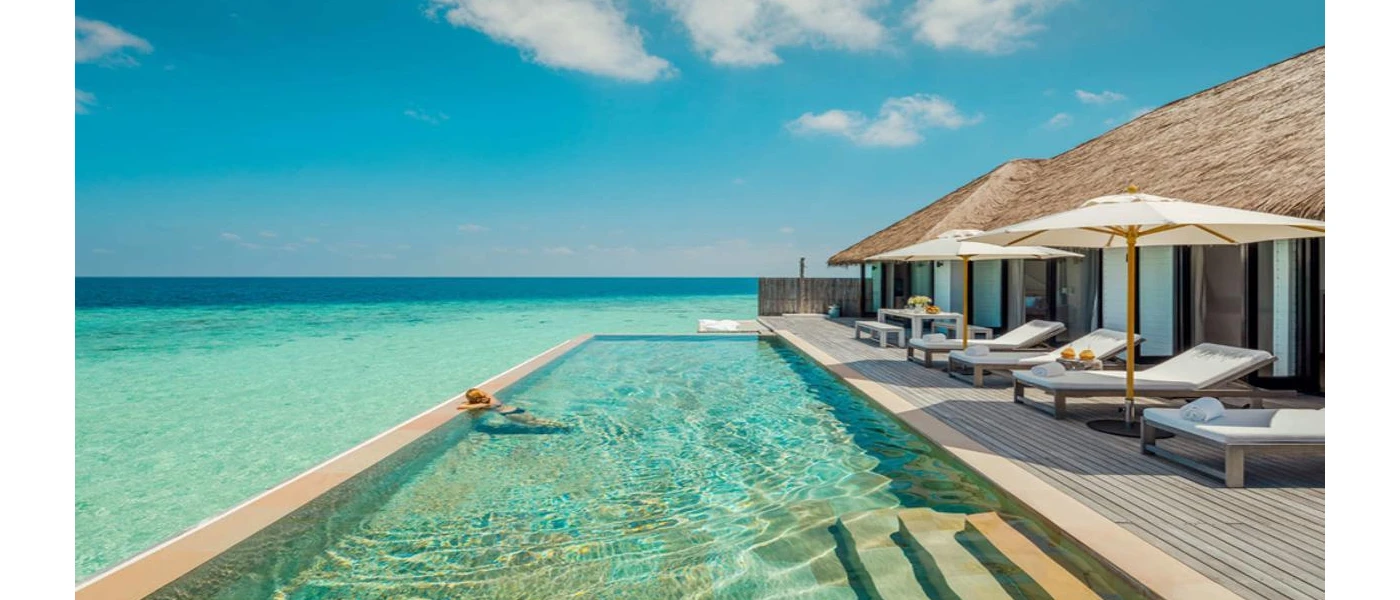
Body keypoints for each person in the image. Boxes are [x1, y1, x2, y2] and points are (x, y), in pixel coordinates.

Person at [457, 387, 568, 429]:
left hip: (511, 415)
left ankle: (560, 426)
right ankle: (558, 424)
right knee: (536, 420)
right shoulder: (489, 397)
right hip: (517, 409)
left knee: (534, 423)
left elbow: (461, 407)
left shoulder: (485, 404)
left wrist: (470, 404)